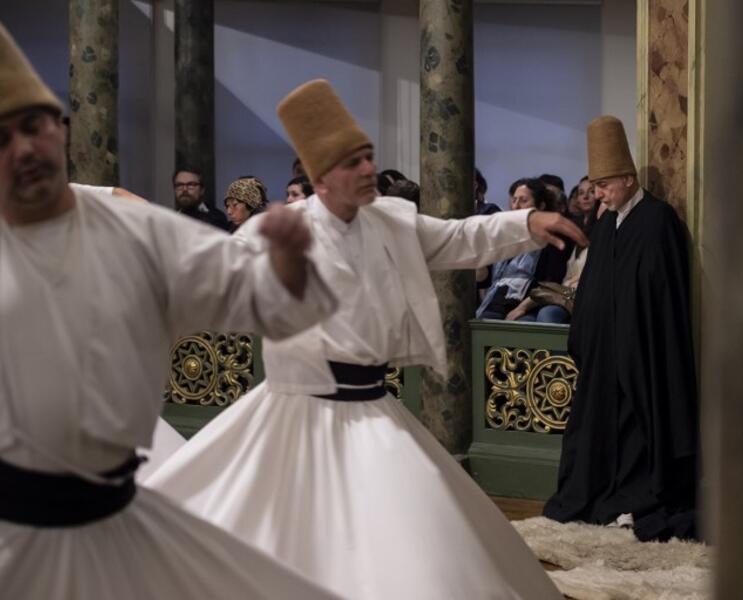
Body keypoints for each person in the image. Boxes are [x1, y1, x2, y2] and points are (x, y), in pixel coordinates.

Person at [148, 79, 586, 600]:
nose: (366, 171)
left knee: (416, 534)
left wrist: (529, 221)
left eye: (367, 158)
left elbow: (459, 237)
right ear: (322, 179)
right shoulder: (279, 231)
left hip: (373, 405)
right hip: (295, 411)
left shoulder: (391, 220)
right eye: (353, 162)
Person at [0, 24, 340, 600]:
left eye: (33, 127)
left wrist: (286, 265)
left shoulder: (141, 230)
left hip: (120, 522)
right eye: (1, 139)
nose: (24, 150)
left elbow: (263, 302)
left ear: (61, 129)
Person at [543, 116, 699, 542]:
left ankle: (634, 501)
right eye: (596, 186)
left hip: (643, 355)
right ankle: (604, 498)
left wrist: (631, 338)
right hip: (604, 356)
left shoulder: (657, 220)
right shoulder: (607, 224)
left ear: (629, 180)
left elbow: (662, 292)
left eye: (606, 185)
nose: (599, 194)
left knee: (637, 433)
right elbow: (595, 286)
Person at [476, 178, 552, 321]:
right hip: (493, 303)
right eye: (514, 200)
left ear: (541, 205)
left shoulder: (549, 240)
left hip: (524, 306)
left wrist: (521, 308)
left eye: (523, 200)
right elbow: (484, 280)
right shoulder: (505, 237)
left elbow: (549, 284)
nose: (515, 206)